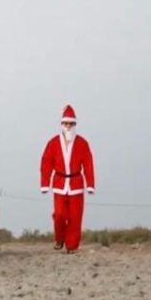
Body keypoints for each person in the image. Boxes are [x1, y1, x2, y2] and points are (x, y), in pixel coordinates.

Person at [40, 104, 95, 253]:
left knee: (75, 217)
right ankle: (59, 238)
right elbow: (46, 162)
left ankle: (71, 245)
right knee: (59, 215)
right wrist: (45, 183)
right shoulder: (53, 143)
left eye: (71, 123)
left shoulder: (82, 143)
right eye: (66, 123)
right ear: (61, 124)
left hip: (76, 184)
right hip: (59, 183)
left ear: (75, 124)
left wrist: (90, 184)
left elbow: (88, 163)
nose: (68, 126)